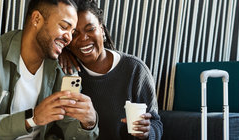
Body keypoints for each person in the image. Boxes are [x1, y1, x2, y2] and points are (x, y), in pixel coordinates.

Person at [0, 0, 98, 139]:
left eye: (72, 32)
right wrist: (32, 118)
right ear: (37, 19)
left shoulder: (64, 68)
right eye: (64, 27)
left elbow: (72, 131)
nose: (69, 39)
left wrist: (88, 124)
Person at [58, 0, 163, 139]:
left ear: (102, 29)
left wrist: (148, 132)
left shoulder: (134, 70)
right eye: (75, 33)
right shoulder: (65, 70)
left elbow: (156, 123)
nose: (83, 38)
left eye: (90, 29)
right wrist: (60, 51)